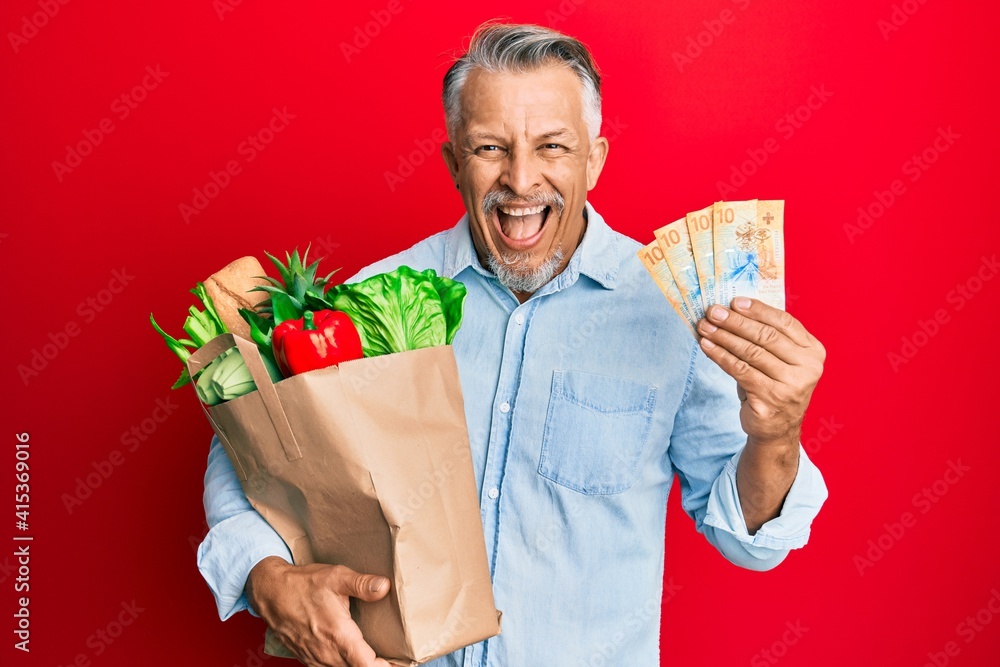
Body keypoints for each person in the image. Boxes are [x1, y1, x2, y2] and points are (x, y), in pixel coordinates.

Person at [198, 22, 829, 667]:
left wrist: (776, 435)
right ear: (452, 164)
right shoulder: (371, 301)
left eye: (552, 146)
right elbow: (247, 462)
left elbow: (753, 542)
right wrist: (266, 577)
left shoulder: (675, 314)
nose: (521, 180)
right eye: (490, 148)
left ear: (595, 158)